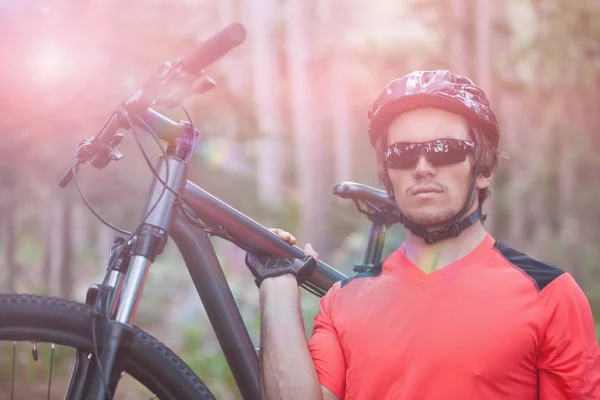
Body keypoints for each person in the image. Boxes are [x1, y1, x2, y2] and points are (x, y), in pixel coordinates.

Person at [245, 70, 600, 399]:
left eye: (445, 150)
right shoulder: (343, 300)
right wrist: (276, 284)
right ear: (388, 175)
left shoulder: (550, 294)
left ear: (483, 170)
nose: (422, 167)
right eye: (402, 154)